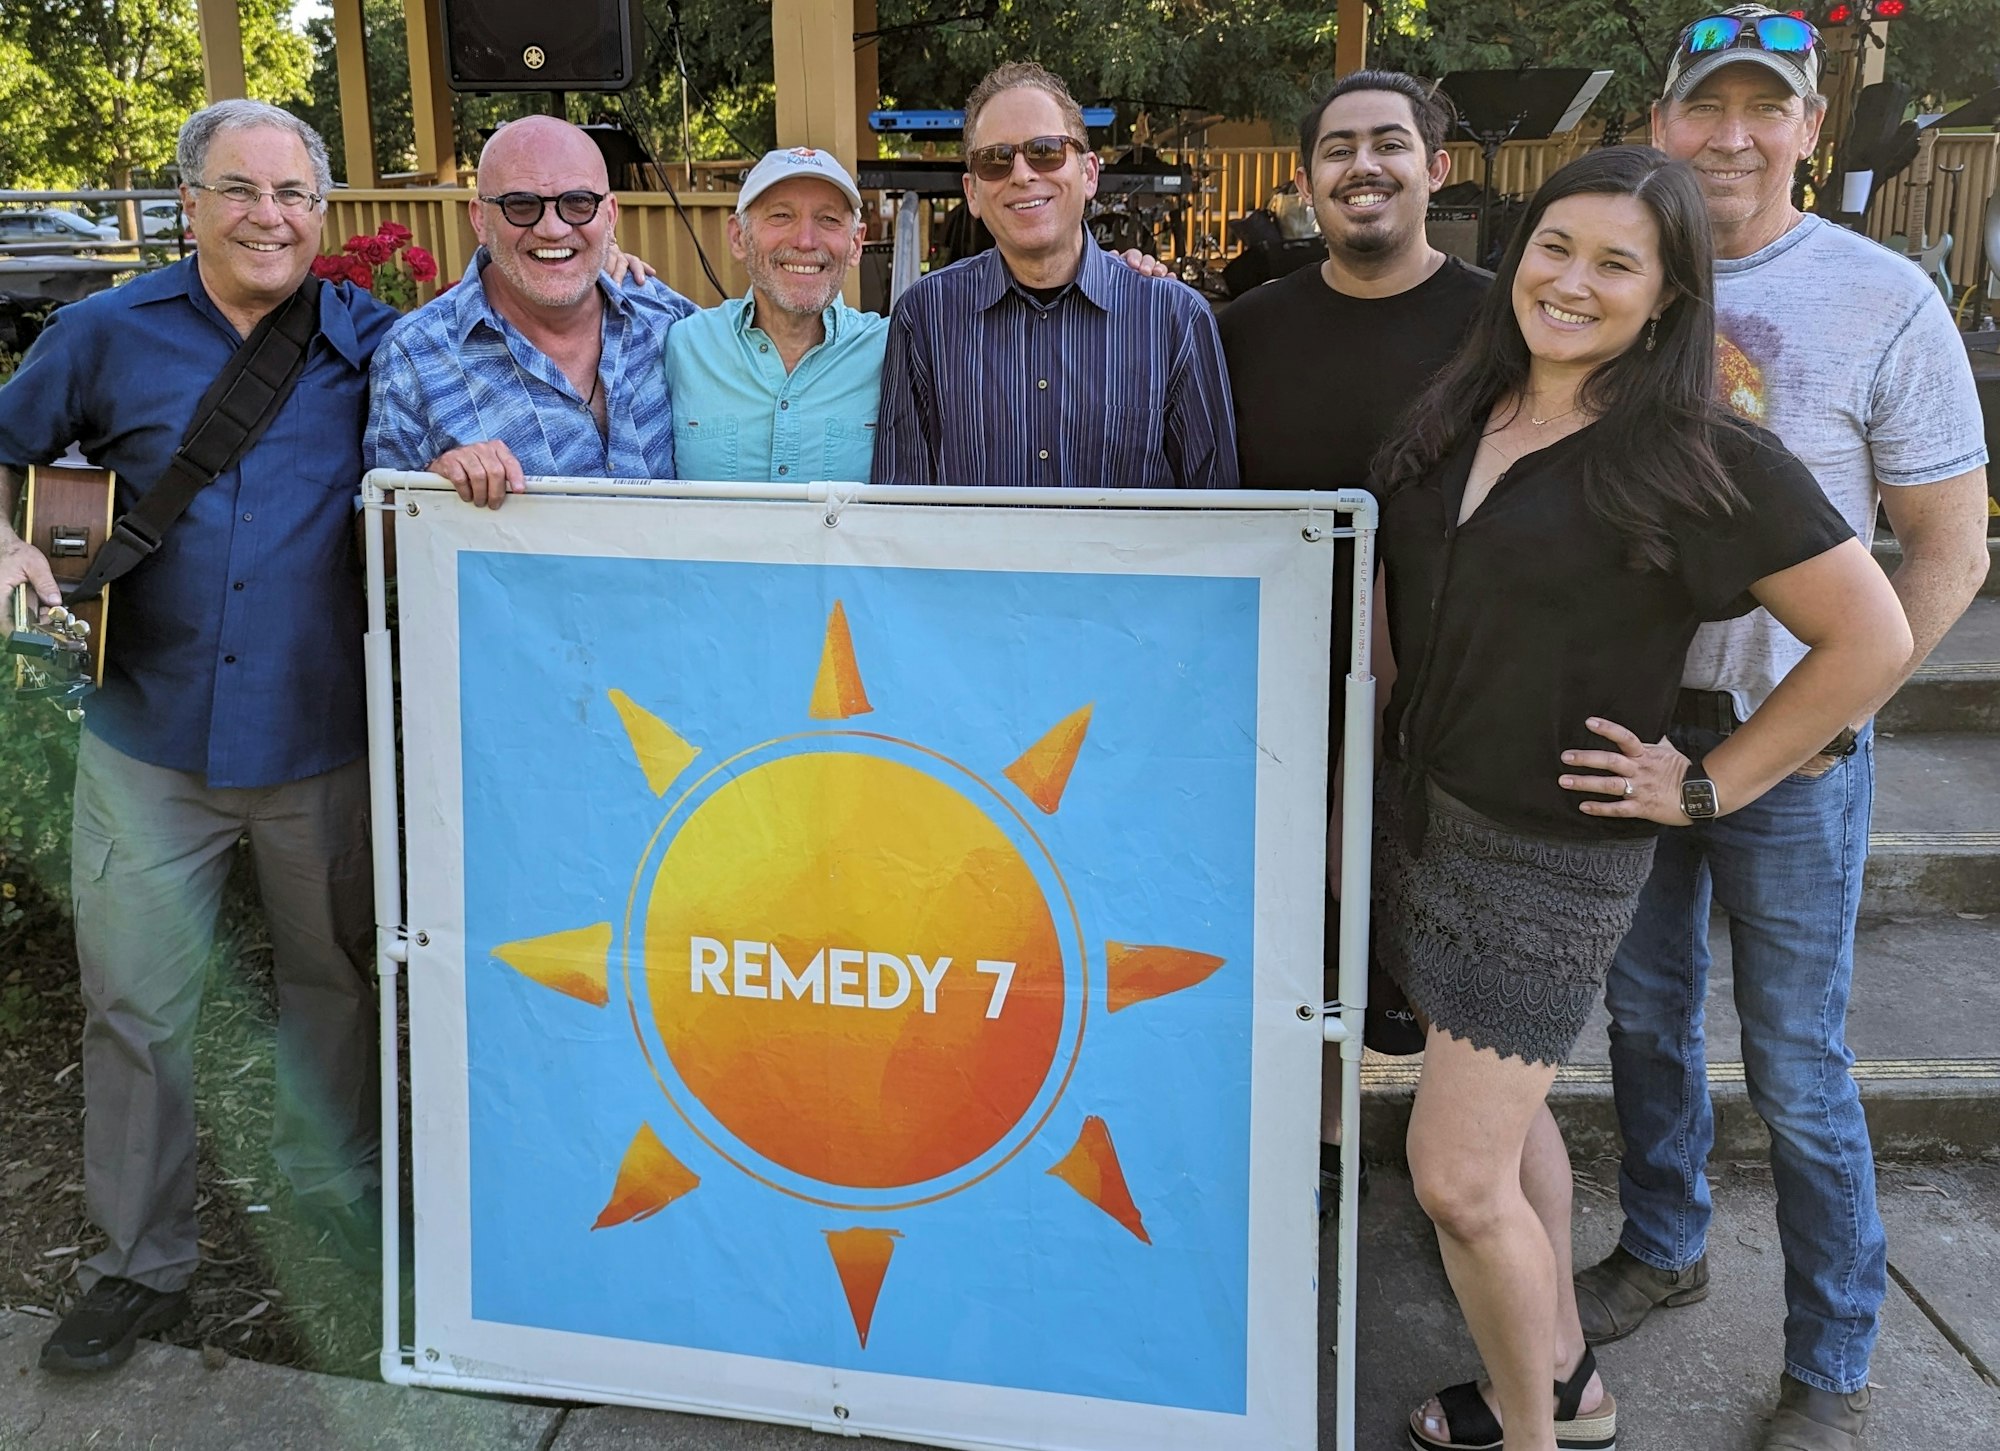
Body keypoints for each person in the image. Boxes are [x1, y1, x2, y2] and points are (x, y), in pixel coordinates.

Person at [1369, 146, 1910, 1451]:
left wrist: (1708, 783)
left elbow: (1871, 636)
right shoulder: (1461, 407)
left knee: (1454, 1179)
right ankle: (1563, 1378)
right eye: (1554, 247)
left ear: (1668, 296)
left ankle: (1531, 1434)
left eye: (1618, 263)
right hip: (1426, 820)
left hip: (1551, 856)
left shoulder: (1698, 454)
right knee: (1504, 1128)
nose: (1572, 281)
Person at [1575, 13, 1991, 1450]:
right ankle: (1661, 1241)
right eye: (1707, 108)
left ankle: (1832, 1357)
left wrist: (1831, 715)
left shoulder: (1882, 298)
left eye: (1766, 109)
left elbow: (1947, 549)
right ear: (1660, 122)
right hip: (1633, 737)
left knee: (1797, 1067)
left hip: (1794, 748)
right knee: (1642, 1019)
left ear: (1811, 128)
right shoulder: (1610, 275)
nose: (1732, 137)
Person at [0, 100, 397, 1373]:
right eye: (240, 189)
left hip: (320, 739)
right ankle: (137, 1263)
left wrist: (606, 284)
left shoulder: (369, 340)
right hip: (146, 739)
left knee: (333, 987)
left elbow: (494, 357)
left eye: (292, 194)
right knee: (135, 1006)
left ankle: (329, 1210)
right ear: (190, 203)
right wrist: (9, 544)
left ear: (322, 211)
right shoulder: (100, 332)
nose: (267, 216)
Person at [1217, 69, 1490, 1211]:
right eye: (1337, 148)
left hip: (1454, 690)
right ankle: (1325, 1148)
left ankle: (1465, 1175)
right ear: (1305, 179)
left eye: (1389, 143)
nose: (1362, 166)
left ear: (1436, 167)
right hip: (1279, 689)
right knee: (1305, 934)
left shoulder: (1499, 323)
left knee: (1452, 963)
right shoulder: (1243, 328)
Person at [871, 61, 1237, 489]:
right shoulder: (925, 316)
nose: (1022, 174)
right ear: (972, 193)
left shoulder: (1174, 319)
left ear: (1089, 174)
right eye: (996, 159)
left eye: (1046, 151)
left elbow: (1215, 507)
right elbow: (901, 502)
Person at [364, 115, 697, 501]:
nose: (552, 229)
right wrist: (429, 490)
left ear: (609, 216)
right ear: (479, 219)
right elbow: (382, 525)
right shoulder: (413, 359)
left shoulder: (665, 316)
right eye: (521, 205)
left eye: (578, 203)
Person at [663, 147, 884, 483]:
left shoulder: (891, 351)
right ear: (739, 237)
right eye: (781, 215)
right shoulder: (682, 345)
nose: (805, 241)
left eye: (828, 219)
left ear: (856, 243)